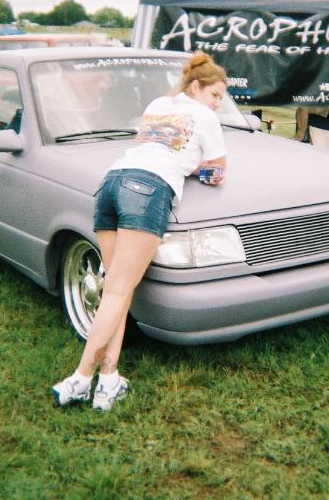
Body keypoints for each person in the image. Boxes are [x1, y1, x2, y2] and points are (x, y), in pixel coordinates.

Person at [51, 52, 228, 411]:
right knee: (118, 289)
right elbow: (217, 171)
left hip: (111, 184)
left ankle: (109, 378)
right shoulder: (206, 117)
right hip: (147, 190)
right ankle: (81, 378)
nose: (217, 103)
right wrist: (196, 169)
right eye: (215, 95)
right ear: (196, 86)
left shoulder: (157, 104)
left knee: (117, 289)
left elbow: (150, 147)